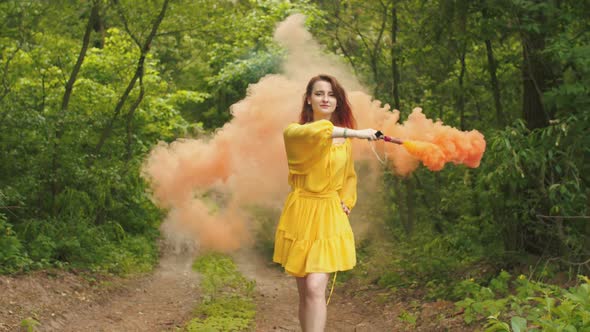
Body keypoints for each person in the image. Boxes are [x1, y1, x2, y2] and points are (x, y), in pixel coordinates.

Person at [273, 74, 379, 332]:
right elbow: (320, 132)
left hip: (328, 215)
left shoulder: (345, 142)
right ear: (308, 99)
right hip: (301, 212)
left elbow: (348, 177)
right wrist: (359, 133)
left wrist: (346, 201)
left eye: (331, 94)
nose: (325, 98)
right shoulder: (296, 133)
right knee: (304, 294)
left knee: (315, 287)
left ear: (337, 101)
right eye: (319, 93)